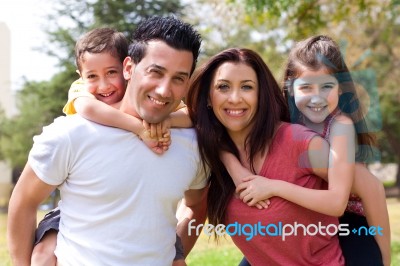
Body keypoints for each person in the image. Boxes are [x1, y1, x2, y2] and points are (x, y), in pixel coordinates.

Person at [7, 16, 208, 266]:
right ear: (128, 68)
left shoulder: (192, 142)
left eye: (178, 78)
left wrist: (175, 254)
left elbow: (197, 205)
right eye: (155, 72)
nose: (164, 90)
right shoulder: (71, 133)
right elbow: (24, 201)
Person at [222, 36, 390, 265]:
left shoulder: (341, 127)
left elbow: (362, 195)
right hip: (303, 217)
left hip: (348, 220)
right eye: (306, 87)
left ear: (341, 89)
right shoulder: (284, 121)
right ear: (290, 88)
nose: (316, 98)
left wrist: (384, 256)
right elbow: (208, 122)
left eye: (327, 86)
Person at [187, 47, 345, 265]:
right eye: (223, 87)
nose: (235, 98)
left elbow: (359, 187)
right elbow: (178, 117)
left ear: (261, 95)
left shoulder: (299, 142)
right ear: (208, 97)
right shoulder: (208, 151)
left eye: (247, 87)